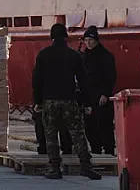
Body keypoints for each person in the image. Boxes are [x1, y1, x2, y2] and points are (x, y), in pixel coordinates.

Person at [32, 23, 101, 181]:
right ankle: (86, 166)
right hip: (69, 100)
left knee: (51, 135)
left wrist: (37, 101)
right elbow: (83, 81)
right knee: (78, 134)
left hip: (50, 100)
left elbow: (37, 80)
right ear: (66, 37)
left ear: (51, 37)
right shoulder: (74, 56)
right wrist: (87, 102)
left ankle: (54, 168)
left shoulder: (43, 54)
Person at [81, 26, 116, 156]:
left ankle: (108, 150)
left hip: (101, 95)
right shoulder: (84, 57)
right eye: (86, 40)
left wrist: (106, 93)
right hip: (88, 96)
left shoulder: (106, 56)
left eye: (90, 40)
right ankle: (95, 148)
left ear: (96, 40)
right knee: (90, 126)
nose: (88, 43)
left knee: (104, 125)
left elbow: (110, 76)